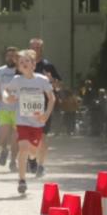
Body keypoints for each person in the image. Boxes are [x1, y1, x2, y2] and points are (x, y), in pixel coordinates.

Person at [2, 49, 56, 195]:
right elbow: (5, 91)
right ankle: (22, 180)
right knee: (23, 148)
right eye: (21, 62)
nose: (24, 64)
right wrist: (7, 98)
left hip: (37, 122)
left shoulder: (42, 80)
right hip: (22, 121)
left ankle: (32, 160)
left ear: (33, 64)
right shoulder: (17, 80)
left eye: (27, 61)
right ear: (18, 67)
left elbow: (51, 99)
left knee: (33, 150)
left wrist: (46, 114)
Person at [29, 37, 61, 176]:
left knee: (41, 137)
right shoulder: (24, 65)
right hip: (28, 106)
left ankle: (41, 166)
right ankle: (32, 159)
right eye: (33, 47)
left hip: (44, 106)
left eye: (38, 48)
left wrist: (51, 80)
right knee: (29, 139)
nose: (36, 50)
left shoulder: (48, 66)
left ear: (42, 49)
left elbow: (58, 87)